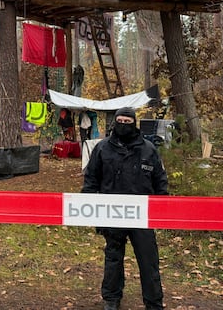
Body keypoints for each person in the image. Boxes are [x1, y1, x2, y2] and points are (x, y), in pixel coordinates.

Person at [82, 107, 168, 310]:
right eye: (119, 120)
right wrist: (89, 208)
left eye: (127, 121)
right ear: (114, 123)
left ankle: (154, 302)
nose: (123, 125)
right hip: (112, 214)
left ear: (134, 123)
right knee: (113, 258)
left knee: (149, 261)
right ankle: (111, 299)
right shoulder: (102, 148)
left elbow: (160, 181)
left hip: (143, 216)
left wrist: (163, 209)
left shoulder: (148, 149)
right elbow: (91, 179)